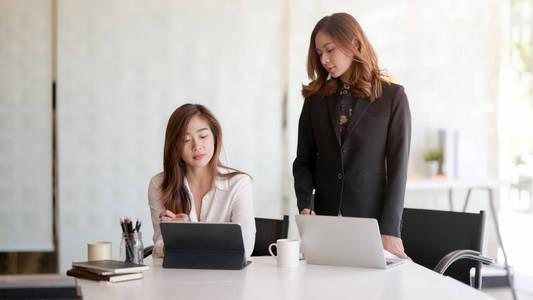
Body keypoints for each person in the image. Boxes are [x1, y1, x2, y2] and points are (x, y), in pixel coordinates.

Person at [293, 13, 411, 259]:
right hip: (324, 223)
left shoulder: (392, 97)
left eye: (330, 50)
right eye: (319, 53)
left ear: (354, 44)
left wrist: (390, 229)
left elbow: (398, 170)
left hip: (373, 224)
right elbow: (303, 161)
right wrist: (306, 204)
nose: (324, 59)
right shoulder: (315, 100)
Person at [148, 104, 256, 259]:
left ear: (215, 137)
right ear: (175, 146)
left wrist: (185, 237)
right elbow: (159, 247)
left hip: (226, 279)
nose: (197, 146)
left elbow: (244, 248)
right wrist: (171, 243)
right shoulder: (159, 184)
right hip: (178, 278)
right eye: (186, 139)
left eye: (203, 136)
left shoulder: (239, 184)